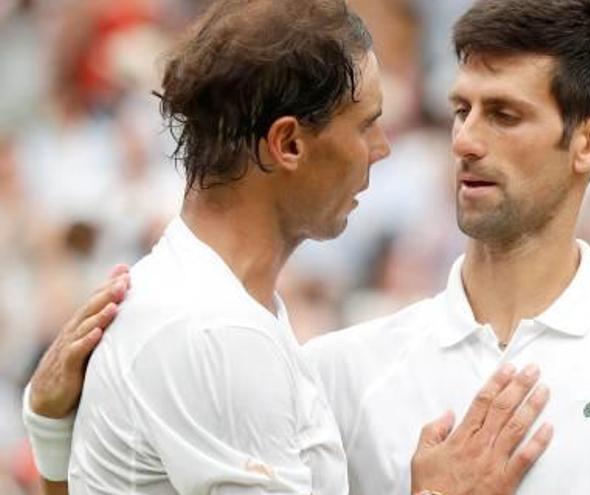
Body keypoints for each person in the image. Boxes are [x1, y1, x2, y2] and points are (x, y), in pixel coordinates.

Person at [25, 0, 590, 493]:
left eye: (503, 114)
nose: (465, 140)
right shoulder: (331, 368)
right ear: (288, 144)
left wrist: (54, 439)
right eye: (461, 110)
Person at [20, 0, 552, 494]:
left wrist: (50, 438)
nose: (382, 149)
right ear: (289, 144)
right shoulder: (216, 330)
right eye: (366, 125)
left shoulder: (210, 304)